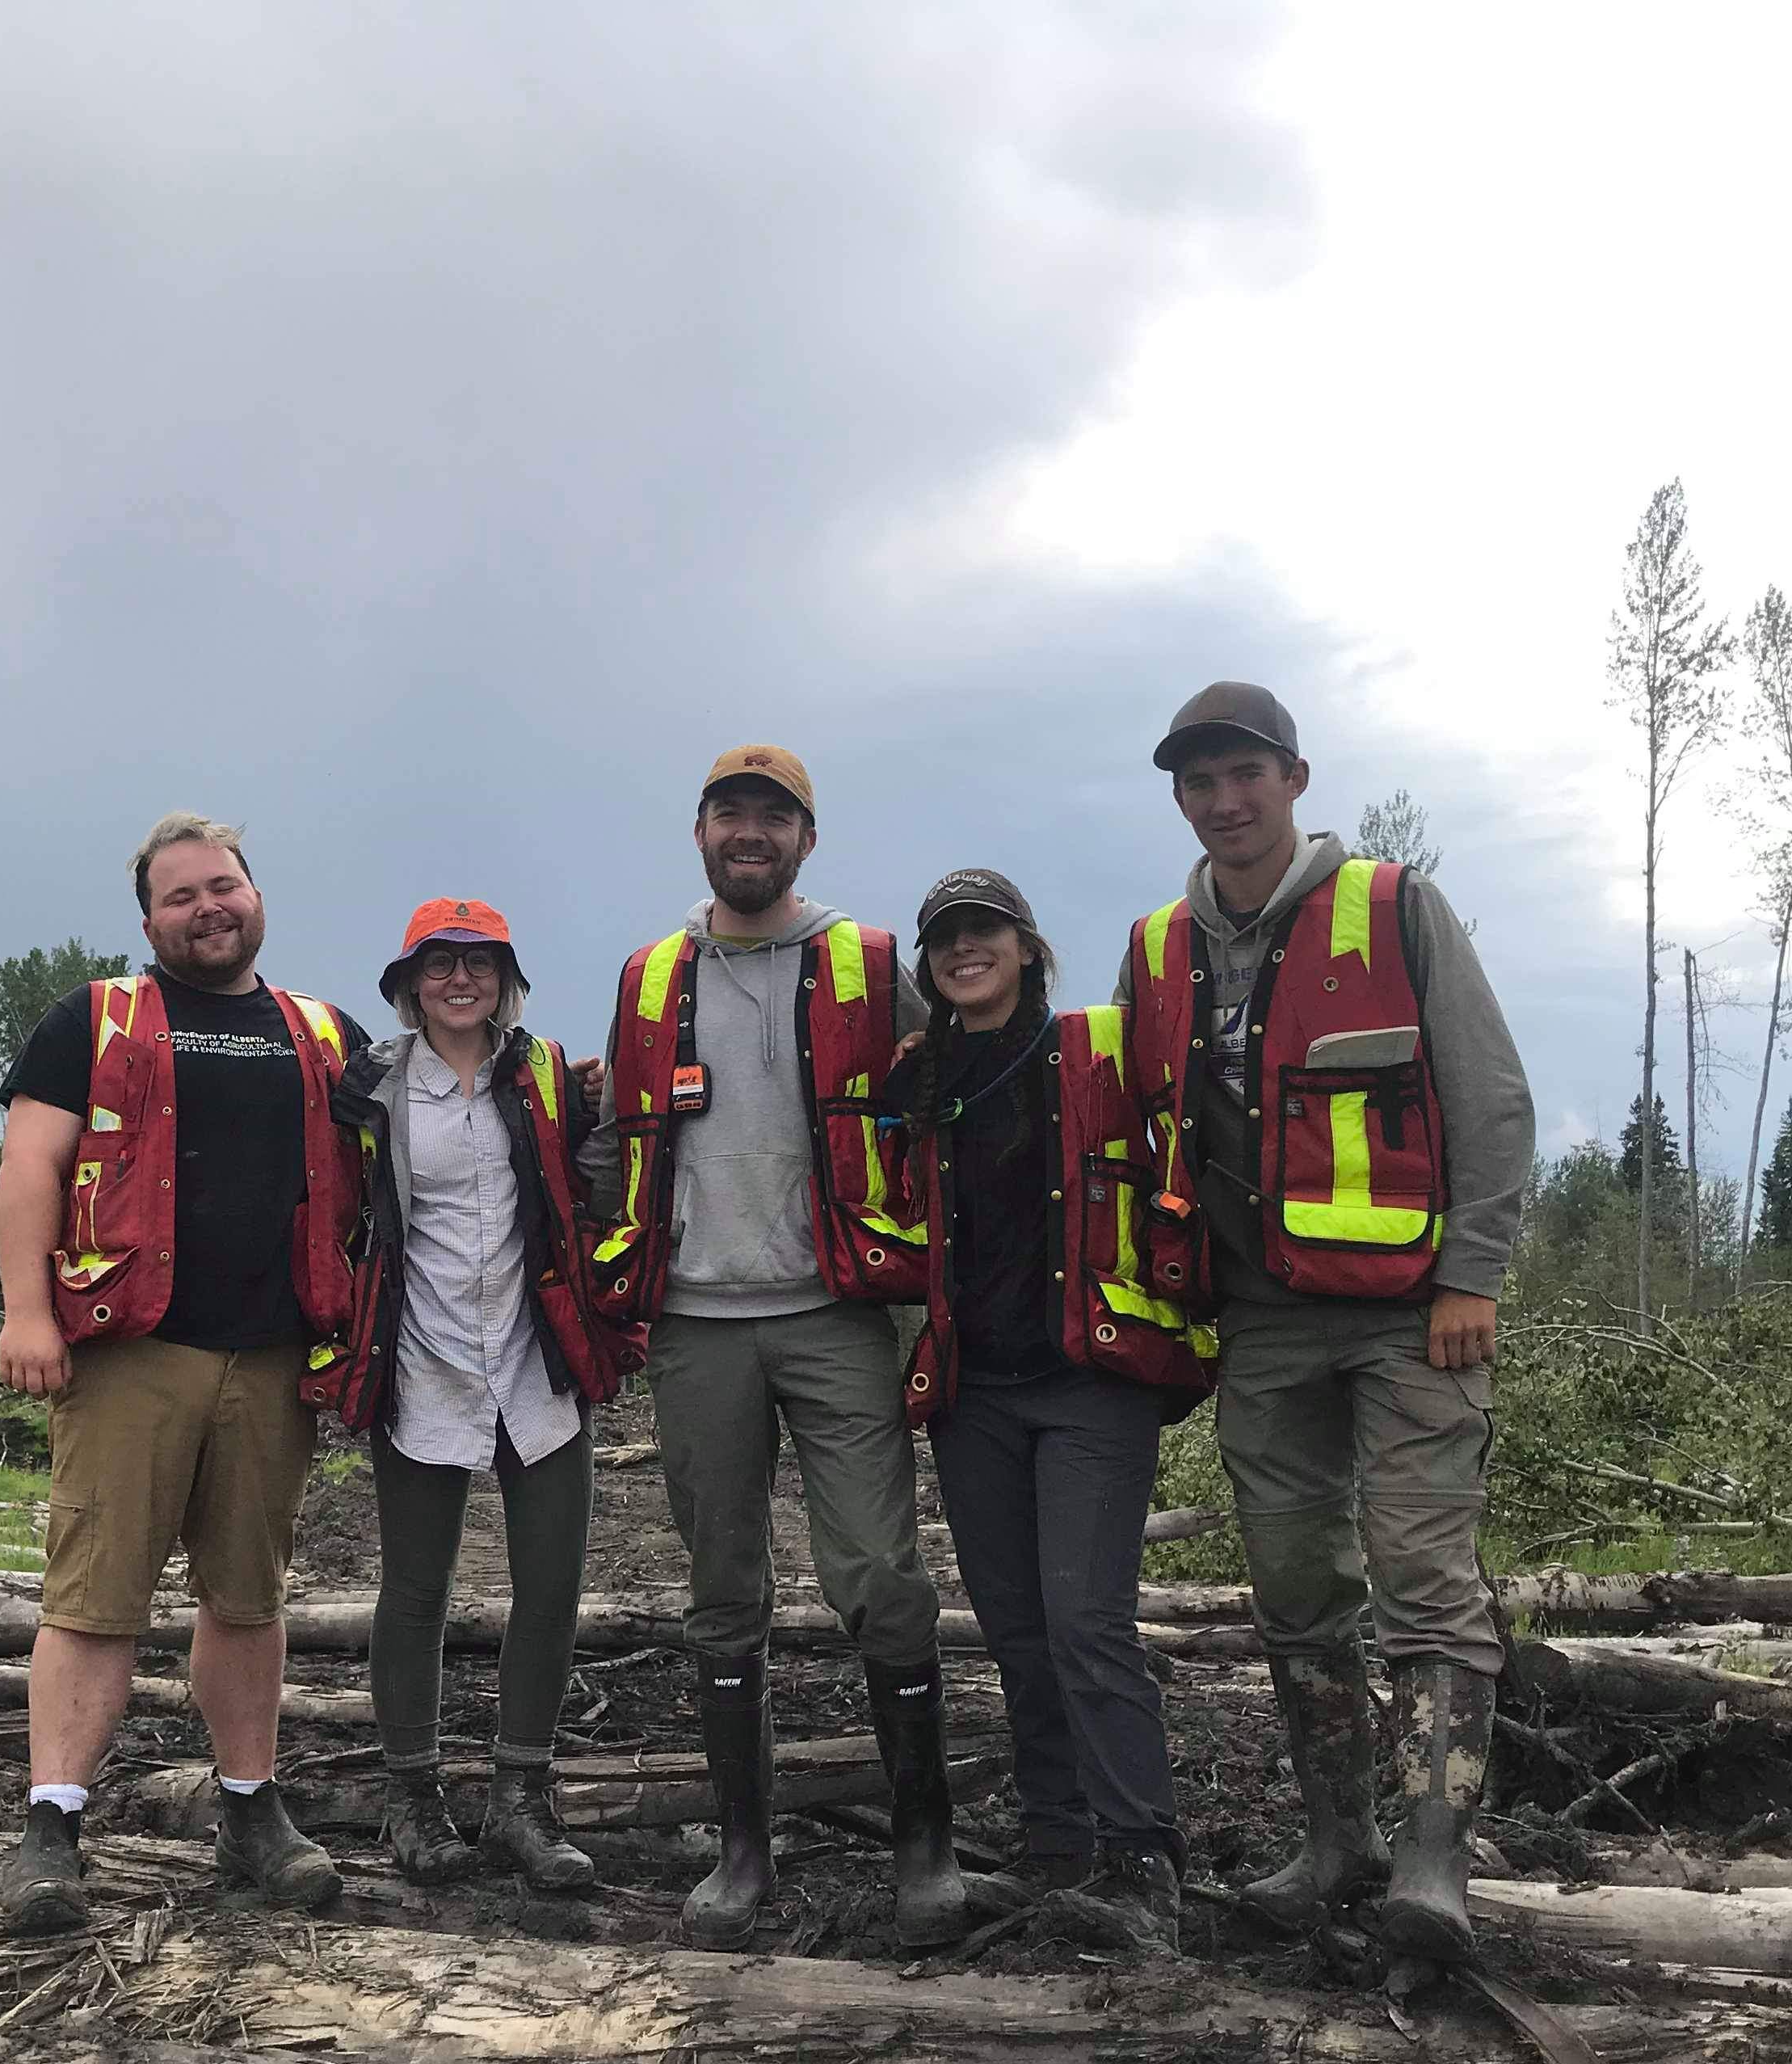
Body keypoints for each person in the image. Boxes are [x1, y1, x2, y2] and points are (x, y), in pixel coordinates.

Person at [1117, 683, 1534, 1962]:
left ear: (1294, 780)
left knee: (1423, 1583)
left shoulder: (1394, 908)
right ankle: (1335, 1840)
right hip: (1260, 1322)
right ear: (1180, 799)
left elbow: (1492, 1098)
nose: (1225, 801)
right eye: (1200, 782)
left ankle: (1432, 1863)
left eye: (1246, 774)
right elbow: (1133, 1128)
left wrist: (1473, 1274)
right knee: (1297, 1591)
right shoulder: (1155, 949)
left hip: (1412, 1313)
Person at [583, 743, 949, 1948]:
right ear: (699, 833)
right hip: (696, 1324)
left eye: (773, 817)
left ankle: (925, 1845)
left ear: (807, 836)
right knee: (721, 1589)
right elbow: (612, 1139)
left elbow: (950, 1102)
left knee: (881, 1578)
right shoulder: (648, 978)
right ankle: (745, 1852)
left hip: (838, 1315)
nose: (751, 834)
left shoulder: (873, 966)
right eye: (730, 814)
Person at [0, 812, 368, 1934]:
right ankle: (51, 1831)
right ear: (149, 920)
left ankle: (251, 1814)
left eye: (224, 887)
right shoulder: (94, 1021)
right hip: (130, 1354)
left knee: (248, 1601)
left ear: (257, 893)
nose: (208, 909)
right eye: (181, 897)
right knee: (95, 1597)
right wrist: (25, 1312)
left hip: (273, 1354)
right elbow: (30, 1164)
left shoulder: (324, 1031)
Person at [889, 868, 1217, 1951]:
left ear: (1028, 946)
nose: (962, 950)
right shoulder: (924, 1074)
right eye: (944, 939)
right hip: (974, 1392)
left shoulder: (1101, 1050)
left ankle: (1143, 1862)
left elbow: (1197, 1135)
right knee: (1019, 1632)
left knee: (1086, 1623)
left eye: (983, 932)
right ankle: (1057, 1851)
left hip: (1091, 1379)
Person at [309, 897, 633, 1892]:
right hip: (422, 1360)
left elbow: (594, 1181)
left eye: (480, 963)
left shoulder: (544, 1072)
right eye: (440, 964)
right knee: (415, 1591)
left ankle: (521, 1803)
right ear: (408, 982)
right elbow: (332, 1202)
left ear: (506, 978)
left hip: (538, 1361)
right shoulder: (369, 1086)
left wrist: (610, 1110)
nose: (461, 981)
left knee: (550, 1588)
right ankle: (413, 1800)